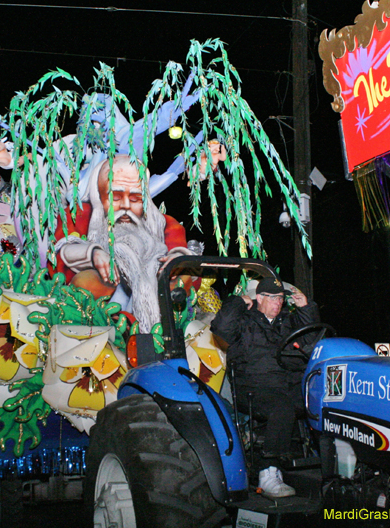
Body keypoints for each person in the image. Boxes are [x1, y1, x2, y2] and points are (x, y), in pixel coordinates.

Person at [52, 154, 193, 330]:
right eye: (116, 197)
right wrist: (93, 254)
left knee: (180, 278)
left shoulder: (163, 224)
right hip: (99, 316)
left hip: (158, 300)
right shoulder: (78, 216)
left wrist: (176, 259)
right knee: (86, 282)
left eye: (135, 199)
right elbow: (58, 256)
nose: (126, 205)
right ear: (99, 195)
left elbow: (180, 253)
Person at [210, 277, 320, 499]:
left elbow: (313, 337)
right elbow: (221, 328)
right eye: (273, 298)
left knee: (324, 403)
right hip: (253, 389)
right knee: (283, 408)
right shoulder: (244, 322)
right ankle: (267, 472)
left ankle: (332, 468)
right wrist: (238, 302)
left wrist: (306, 309)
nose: (278, 303)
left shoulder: (287, 322)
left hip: (288, 386)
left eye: (281, 298)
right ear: (259, 298)